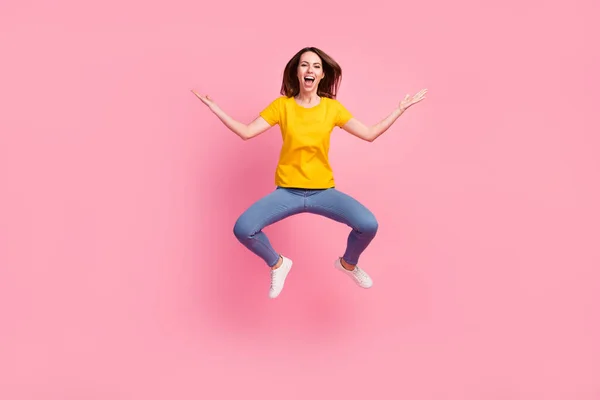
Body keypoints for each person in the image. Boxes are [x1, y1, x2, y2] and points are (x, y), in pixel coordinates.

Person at [192, 47, 426, 299]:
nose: (309, 70)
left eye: (315, 66)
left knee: (368, 224)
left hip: (323, 191)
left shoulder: (331, 109)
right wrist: (215, 109)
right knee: (243, 228)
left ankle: (348, 263)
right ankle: (278, 264)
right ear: (297, 71)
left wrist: (399, 110)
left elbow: (369, 134)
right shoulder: (282, 106)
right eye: (304, 65)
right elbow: (247, 132)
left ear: (322, 74)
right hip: (287, 192)